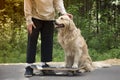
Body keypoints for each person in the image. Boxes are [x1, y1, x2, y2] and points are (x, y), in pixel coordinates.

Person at [24, 0, 71, 77]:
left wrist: (64, 13)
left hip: (49, 18)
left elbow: (58, 1)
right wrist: (29, 20)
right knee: (32, 41)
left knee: (47, 41)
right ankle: (29, 66)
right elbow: (27, 3)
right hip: (35, 17)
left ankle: (44, 65)